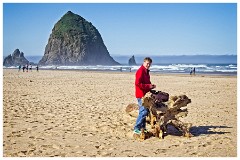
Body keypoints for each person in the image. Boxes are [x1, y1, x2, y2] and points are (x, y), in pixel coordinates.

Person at [133, 57, 156, 134]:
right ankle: (137, 128)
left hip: (145, 94)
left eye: (149, 64)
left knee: (144, 111)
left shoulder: (146, 71)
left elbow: (146, 83)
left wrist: (151, 87)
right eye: (147, 63)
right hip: (141, 94)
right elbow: (138, 83)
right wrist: (148, 86)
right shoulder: (140, 71)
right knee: (143, 111)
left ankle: (143, 127)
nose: (148, 65)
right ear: (144, 63)